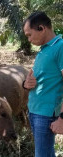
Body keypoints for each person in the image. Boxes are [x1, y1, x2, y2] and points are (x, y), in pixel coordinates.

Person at [23, 11, 63, 157]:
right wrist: (26, 84)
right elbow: (42, 80)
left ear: (41, 28)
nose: (29, 39)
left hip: (46, 114)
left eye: (29, 34)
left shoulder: (60, 47)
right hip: (35, 111)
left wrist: (62, 118)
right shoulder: (44, 50)